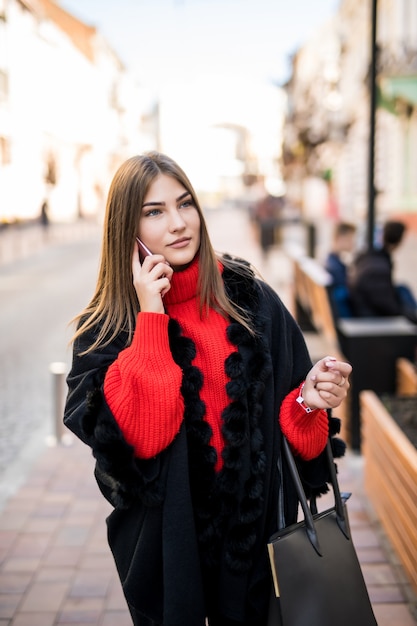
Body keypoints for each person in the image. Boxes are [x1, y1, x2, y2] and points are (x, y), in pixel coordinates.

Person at [63, 152, 352, 626]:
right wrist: (151, 317)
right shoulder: (106, 333)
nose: (178, 224)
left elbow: (306, 448)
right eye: (154, 212)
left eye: (185, 204)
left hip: (260, 554)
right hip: (171, 556)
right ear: (125, 229)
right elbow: (146, 436)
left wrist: (307, 402)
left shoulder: (253, 302)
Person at [349, 219, 417, 323]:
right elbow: (388, 307)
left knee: (402, 289)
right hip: (370, 317)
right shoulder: (378, 269)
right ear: (399, 241)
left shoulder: (369, 257)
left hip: (366, 309)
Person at [324, 221, 357, 319]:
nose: (353, 243)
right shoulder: (335, 268)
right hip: (344, 318)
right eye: (351, 239)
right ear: (340, 239)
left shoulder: (331, 261)